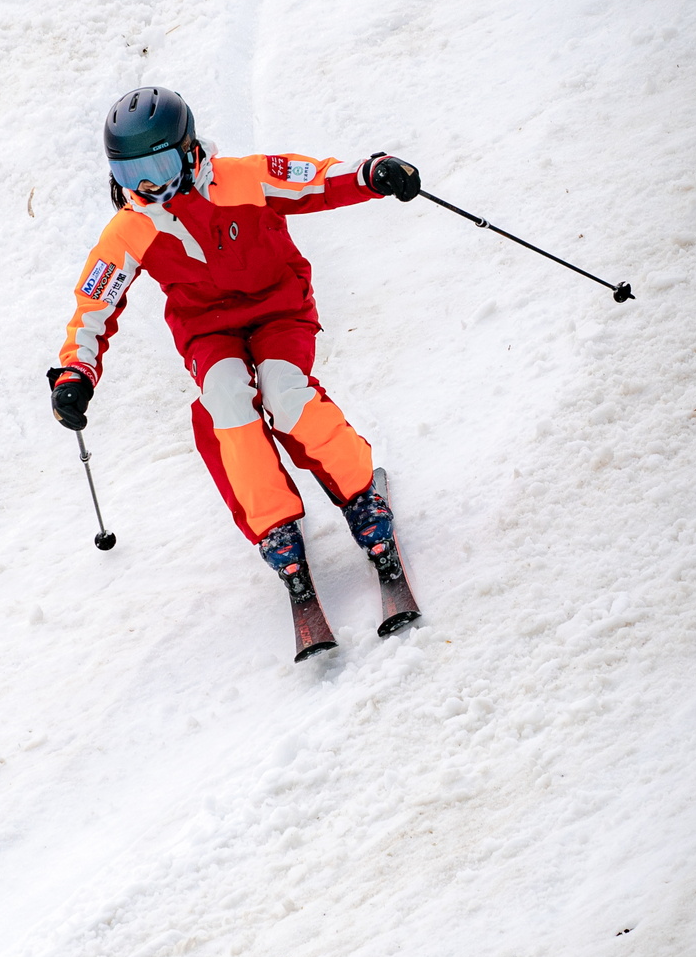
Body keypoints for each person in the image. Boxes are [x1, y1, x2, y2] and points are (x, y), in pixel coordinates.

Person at [49, 86, 420, 657]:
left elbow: (315, 178)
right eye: (132, 172)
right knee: (225, 403)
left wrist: (373, 173)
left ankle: (363, 495)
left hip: (279, 308)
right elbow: (92, 307)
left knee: (287, 394)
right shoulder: (129, 229)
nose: (149, 184)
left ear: (189, 149)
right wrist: (76, 372)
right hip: (208, 330)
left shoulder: (243, 177)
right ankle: (278, 533)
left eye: (161, 164)